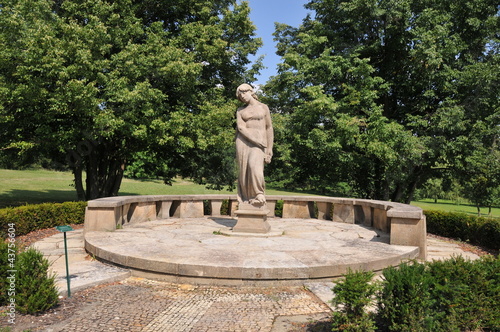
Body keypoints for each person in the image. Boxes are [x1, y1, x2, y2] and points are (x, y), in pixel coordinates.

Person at [235, 84, 274, 207]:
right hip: (244, 142)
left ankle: (259, 194)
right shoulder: (241, 110)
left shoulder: (263, 107)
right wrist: (255, 139)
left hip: (260, 144)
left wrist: (269, 148)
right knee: (244, 171)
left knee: (254, 166)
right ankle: (246, 198)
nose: (242, 97)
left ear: (250, 91)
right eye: (240, 96)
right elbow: (241, 128)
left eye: (243, 93)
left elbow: (269, 127)